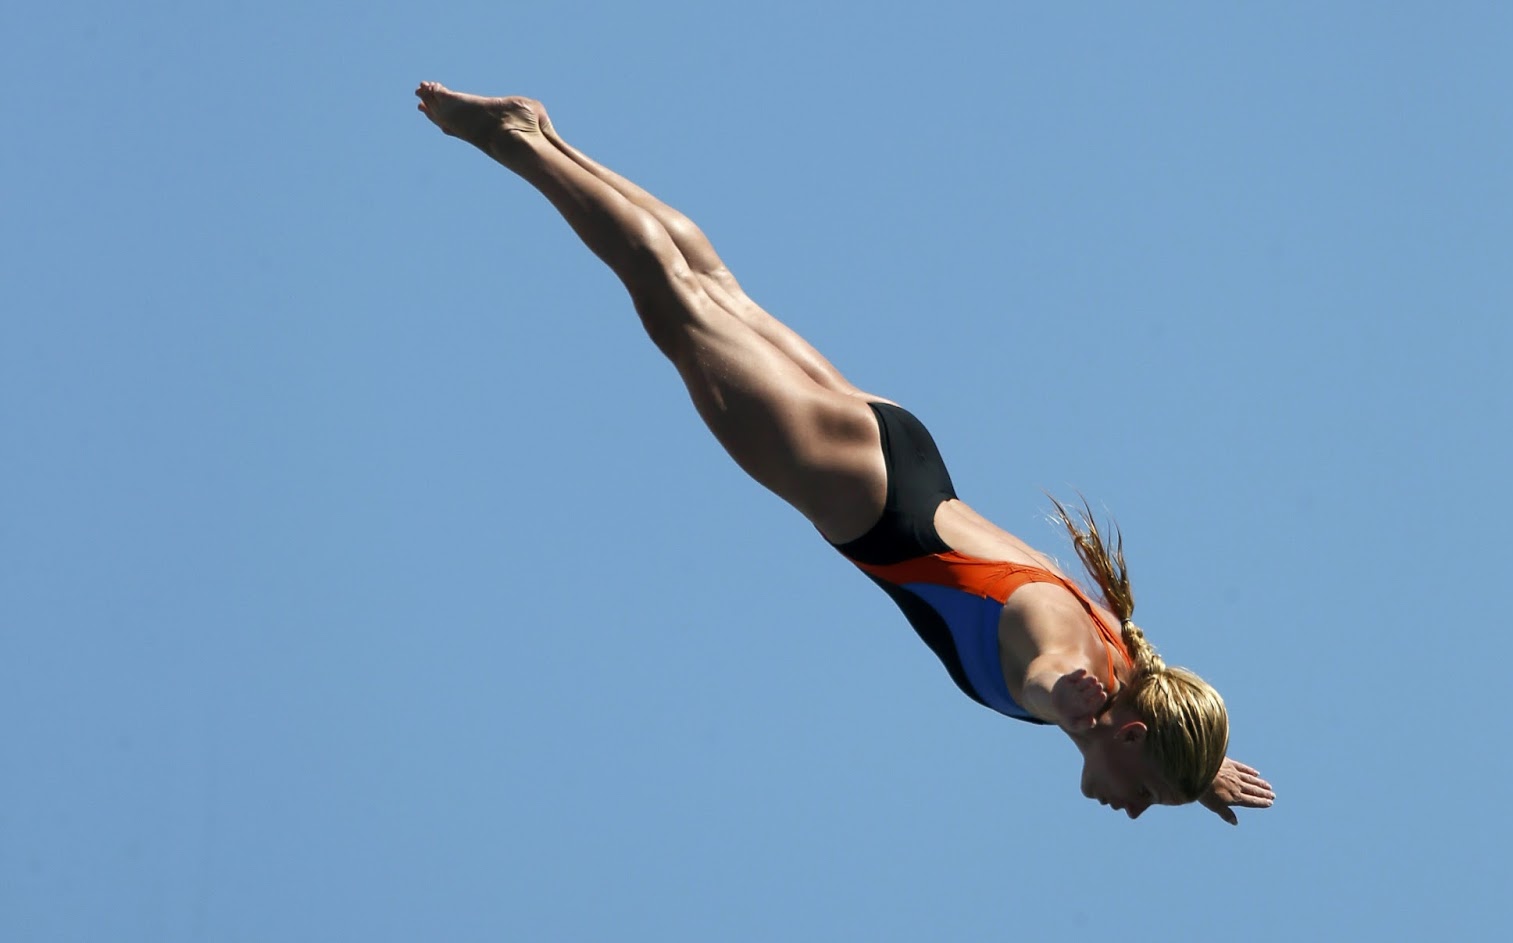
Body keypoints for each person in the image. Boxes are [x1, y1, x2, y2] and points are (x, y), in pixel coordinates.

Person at [414, 82, 1275, 824]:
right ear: (1126, 733)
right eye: (1146, 796)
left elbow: (1130, 706)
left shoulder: (1131, 665)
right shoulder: (1078, 681)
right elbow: (1052, 667)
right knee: (674, 305)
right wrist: (1065, 703)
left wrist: (1192, 777)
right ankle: (519, 142)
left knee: (715, 290)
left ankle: (544, 131)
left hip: (907, 459)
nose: (1131, 810)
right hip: (861, 498)